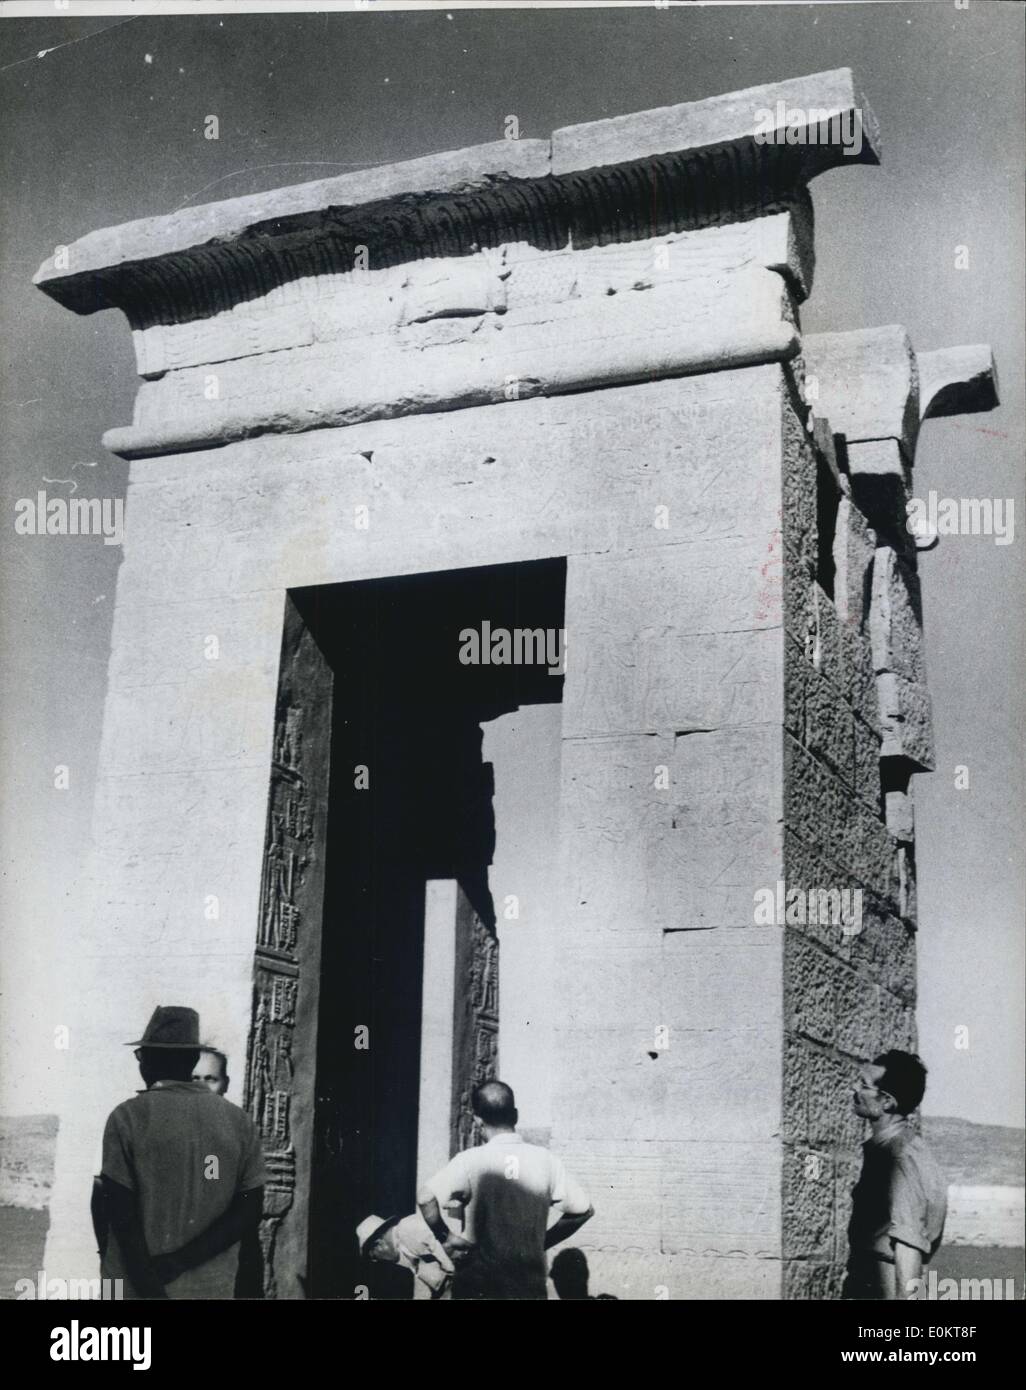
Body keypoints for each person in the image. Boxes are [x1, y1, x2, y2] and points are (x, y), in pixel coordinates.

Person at [99, 1005, 266, 1299]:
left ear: (146, 1060)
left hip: (137, 1292)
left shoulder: (127, 1118)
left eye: (142, 1055)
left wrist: (152, 1290)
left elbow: (121, 1216)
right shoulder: (239, 1122)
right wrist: (181, 1261)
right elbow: (249, 1211)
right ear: (191, 1060)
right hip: (210, 1290)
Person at [417, 1079, 594, 1300]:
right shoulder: (547, 1161)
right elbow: (584, 1210)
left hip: (478, 1288)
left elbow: (425, 1198)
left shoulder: (469, 1161)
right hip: (528, 1289)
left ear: (477, 1121)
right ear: (516, 1116)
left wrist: (446, 1238)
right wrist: (542, 1242)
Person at [846, 1049, 948, 1300]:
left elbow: (908, 1248)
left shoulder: (899, 1159)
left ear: (887, 1102)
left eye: (864, 1085)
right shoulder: (900, 1148)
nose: (854, 1089)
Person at [356, 1212, 462, 1299]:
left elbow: (454, 1257)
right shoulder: (406, 1254)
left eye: (374, 1257)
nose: (379, 1261)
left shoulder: (408, 1228)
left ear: (378, 1244)